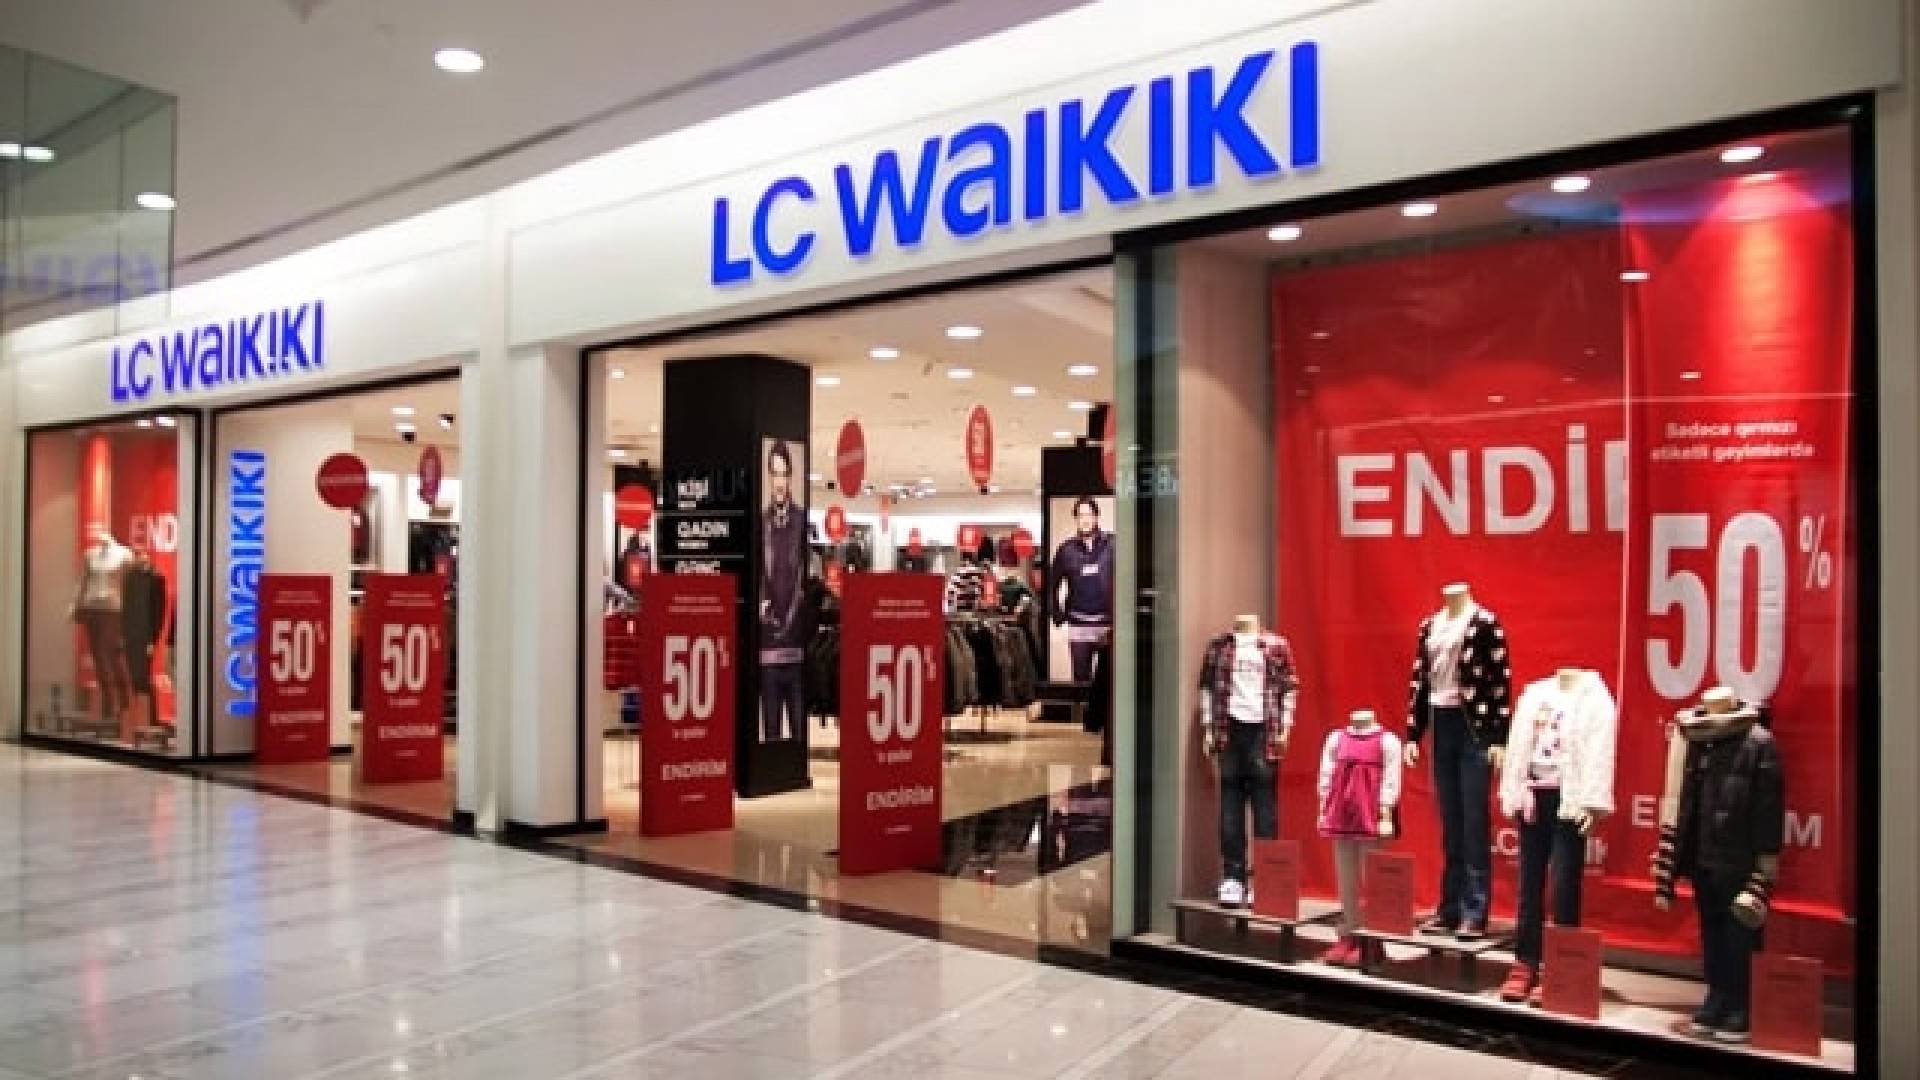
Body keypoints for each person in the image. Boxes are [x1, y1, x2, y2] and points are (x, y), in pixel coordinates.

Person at [758, 440, 808, 742]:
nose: (779, 481)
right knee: (771, 731)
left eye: (784, 473)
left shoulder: (801, 521)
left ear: (790, 476)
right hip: (767, 648)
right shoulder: (761, 523)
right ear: (769, 475)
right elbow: (759, 574)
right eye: (774, 473)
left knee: (799, 733)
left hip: (795, 646)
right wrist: (761, 604)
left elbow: (803, 578)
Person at [1049, 497, 1113, 683]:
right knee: (1080, 682)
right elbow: (1052, 585)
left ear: (1096, 516)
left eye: (1089, 514)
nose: (1085, 519)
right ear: (1076, 518)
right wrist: (1058, 615)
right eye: (1080, 515)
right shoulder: (1066, 550)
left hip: (1108, 625)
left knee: (1109, 683)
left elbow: (1127, 578)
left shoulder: (1113, 545)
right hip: (1078, 625)